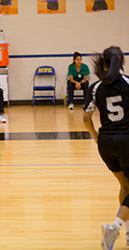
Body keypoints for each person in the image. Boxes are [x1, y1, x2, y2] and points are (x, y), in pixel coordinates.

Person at [83, 46, 129, 249]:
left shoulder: (96, 87)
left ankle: (127, 232)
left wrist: (95, 136)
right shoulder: (128, 83)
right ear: (122, 63)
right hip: (126, 140)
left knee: (126, 186)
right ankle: (116, 227)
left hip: (105, 143)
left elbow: (85, 118)